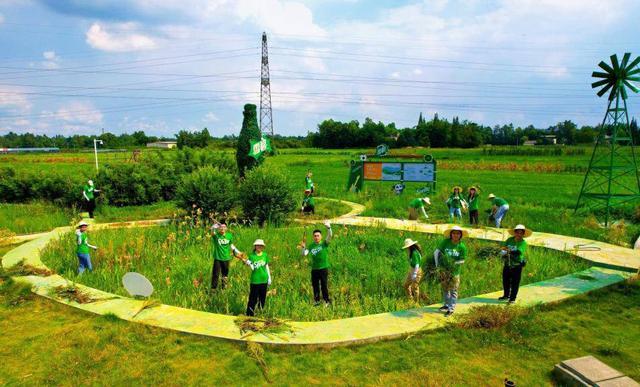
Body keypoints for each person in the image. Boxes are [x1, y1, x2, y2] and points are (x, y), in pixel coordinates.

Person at [433, 225, 468, 316]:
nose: (455, 235)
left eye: (458, 234)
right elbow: (437, 252)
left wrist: (454, 263)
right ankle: (446, 304)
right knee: (445, 289)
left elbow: (462, 260)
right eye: (454, 233)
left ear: (460, 235)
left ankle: (451, 308)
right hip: (444, 271)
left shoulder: (462, 247)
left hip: (455, 272)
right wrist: (437, 266)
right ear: (451, 234)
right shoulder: (445, 242)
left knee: (453, 290)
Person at [301, 220, 333, 306]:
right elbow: (304, 254)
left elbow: (330, 235)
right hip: (314, 269)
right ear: (313, 237)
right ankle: (317, 301)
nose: (316, 237)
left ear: (321, 236)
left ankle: (326, 301)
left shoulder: (324, 243)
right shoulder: (311, 246)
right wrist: (303, 248)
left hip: (323, 268)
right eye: (315, 236)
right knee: (315, 286)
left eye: (318, 236)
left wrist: (328, 228)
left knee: (324, 285)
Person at [499, 224, 531, 304]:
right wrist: (503, 252)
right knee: (505, 280)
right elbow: (504, 247)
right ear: (515, 232)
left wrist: (509, 251)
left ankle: (512, 298)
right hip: (507, 263)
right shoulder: (510, 240)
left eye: (521, 233)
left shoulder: (523, 243)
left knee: (515, 282)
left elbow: (518, 252)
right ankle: (506, 295)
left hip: (516, 265)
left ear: (523, 234)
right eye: (517, 232)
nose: (519, 234)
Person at [240, 239, 272, 316]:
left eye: (261, 245)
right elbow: (253, 268)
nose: (259, 247)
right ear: (255, 246)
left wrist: (269, 277)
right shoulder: (252, 256)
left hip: (264, 280)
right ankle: (249, 314)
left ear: (263, 247)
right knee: (252, 299)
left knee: (262, 298)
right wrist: (248, 263)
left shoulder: (265, 255)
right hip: (255, 281)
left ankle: (260, 313)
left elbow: (266, 266)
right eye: (258, 245)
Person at [210, 223, 242, 290]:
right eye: (221, 227)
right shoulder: (216, 236)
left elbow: (231, 245)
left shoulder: (229, 235)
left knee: (225, 274)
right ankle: (213, 289)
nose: (222, 229)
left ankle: (223, 288)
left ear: (226, 229)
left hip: (226, 258)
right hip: (218, 258)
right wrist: (213, 227)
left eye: (224, 227)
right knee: (215, 274)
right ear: (219, 229)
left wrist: (238, 252)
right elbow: (212, 233)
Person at [401, 238, 423, 302]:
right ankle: (410, 299)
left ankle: (416, 303)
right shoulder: (411, 252)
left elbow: (417, 264)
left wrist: (415, 274)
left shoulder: (414, 253)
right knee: (406, 285)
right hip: (412, 270)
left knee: (415, 287)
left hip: (417, 271)